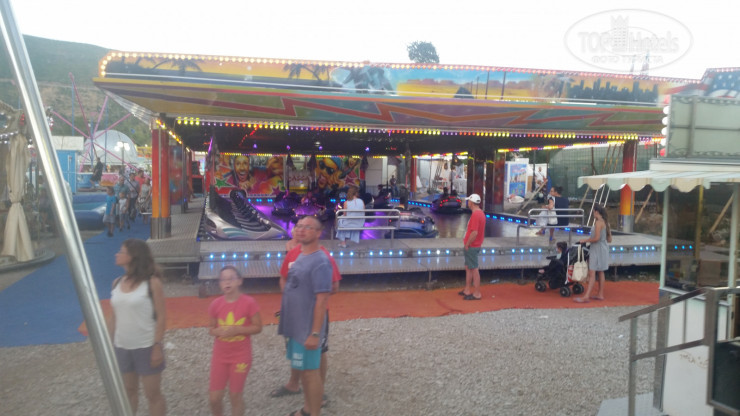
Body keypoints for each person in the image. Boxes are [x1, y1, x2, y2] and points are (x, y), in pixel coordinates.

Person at [271, 229, 342, 409]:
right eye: (298, 227)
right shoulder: (292, 253)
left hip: (314, 313)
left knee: (319, 350)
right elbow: (283, 277)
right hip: (293, 311)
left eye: (306, 228)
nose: (300, 231)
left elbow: (334, 286)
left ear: (316, 233)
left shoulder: (323, 256)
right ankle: (294, 384)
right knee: (295, 346)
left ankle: (318, 392)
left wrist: (310, 297)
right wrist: (290, 295)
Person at [107, 239, 167, 416]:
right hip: (122, 346)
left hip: (146, 346)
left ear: (133, 256)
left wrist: (157, 346)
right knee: (129, 391)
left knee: (152, 394)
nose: (117, 254)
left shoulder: (152, 283)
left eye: (121, 251)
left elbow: (161, 317)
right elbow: (114, 317)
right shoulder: (116, 283)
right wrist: (108, 345)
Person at [208, 266, 263, 416]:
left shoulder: (249, 303)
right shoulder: (215, 304)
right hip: (220, 356)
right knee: (214, 398)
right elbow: (211, 329)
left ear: (239, 281)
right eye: (223, 279)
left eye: (231, 279)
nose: (227, 282)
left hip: (240, 356)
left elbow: (258, 327)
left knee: (235, 395)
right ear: (219, 283)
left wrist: (238, 330)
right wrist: (217, 331)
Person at [574, 204, 612, 303]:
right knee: (601, 271)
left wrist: (585, 240)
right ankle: (600, 294)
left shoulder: (598, 223)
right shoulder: (606, 222)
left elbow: (596, 238)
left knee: (592, 272)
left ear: (596, 212)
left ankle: (586, 296)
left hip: (597, 249)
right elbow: (609, 239)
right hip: (603, 248)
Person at [459, 193, 486, 300]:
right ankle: (467, 289)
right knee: (469, 267)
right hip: (475, 244)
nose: (467, 202)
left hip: (472, 246)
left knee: (474, 268)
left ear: (471, 203)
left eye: (468, 201)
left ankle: (477, 293)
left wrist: (467, 244)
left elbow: (474, 232)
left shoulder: (475, 215)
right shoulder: (480, 213)